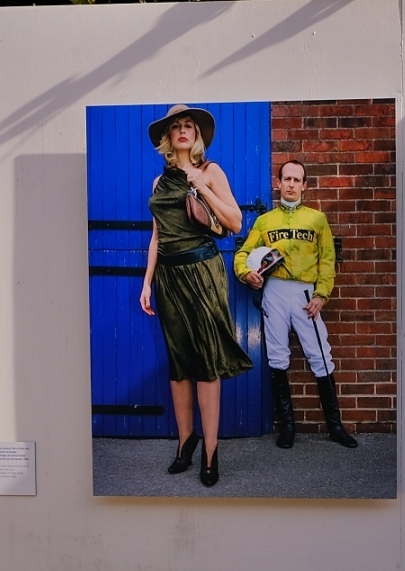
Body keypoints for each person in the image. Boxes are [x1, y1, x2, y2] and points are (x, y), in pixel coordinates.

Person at [139, 103, 253, 488]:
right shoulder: (159, 182)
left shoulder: (210, 171)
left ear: (197, 135)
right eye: (177, 127)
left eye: (189, 125)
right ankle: (185, 442)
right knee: (179, 364)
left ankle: (210, 451)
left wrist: (200, 186)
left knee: (205, 363)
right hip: (168, 278)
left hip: (203, 272)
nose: (184, 130)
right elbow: (157, 236)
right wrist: (147, 282)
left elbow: (235, 222)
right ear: (168, 137)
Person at [234, 159, 359, 449]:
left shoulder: (317, 219)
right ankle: (287, 426)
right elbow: (243, 254)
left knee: (320, 355)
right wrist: (246, 273)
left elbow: (327, 260)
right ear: (278, 183)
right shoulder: (265, 221)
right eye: (286, 179)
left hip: (306, 294)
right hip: (274, 292)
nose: (291, 184)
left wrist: (321, 295)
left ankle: (335, 426)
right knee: (277, 356)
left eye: (296, 180)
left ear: (304, 185)